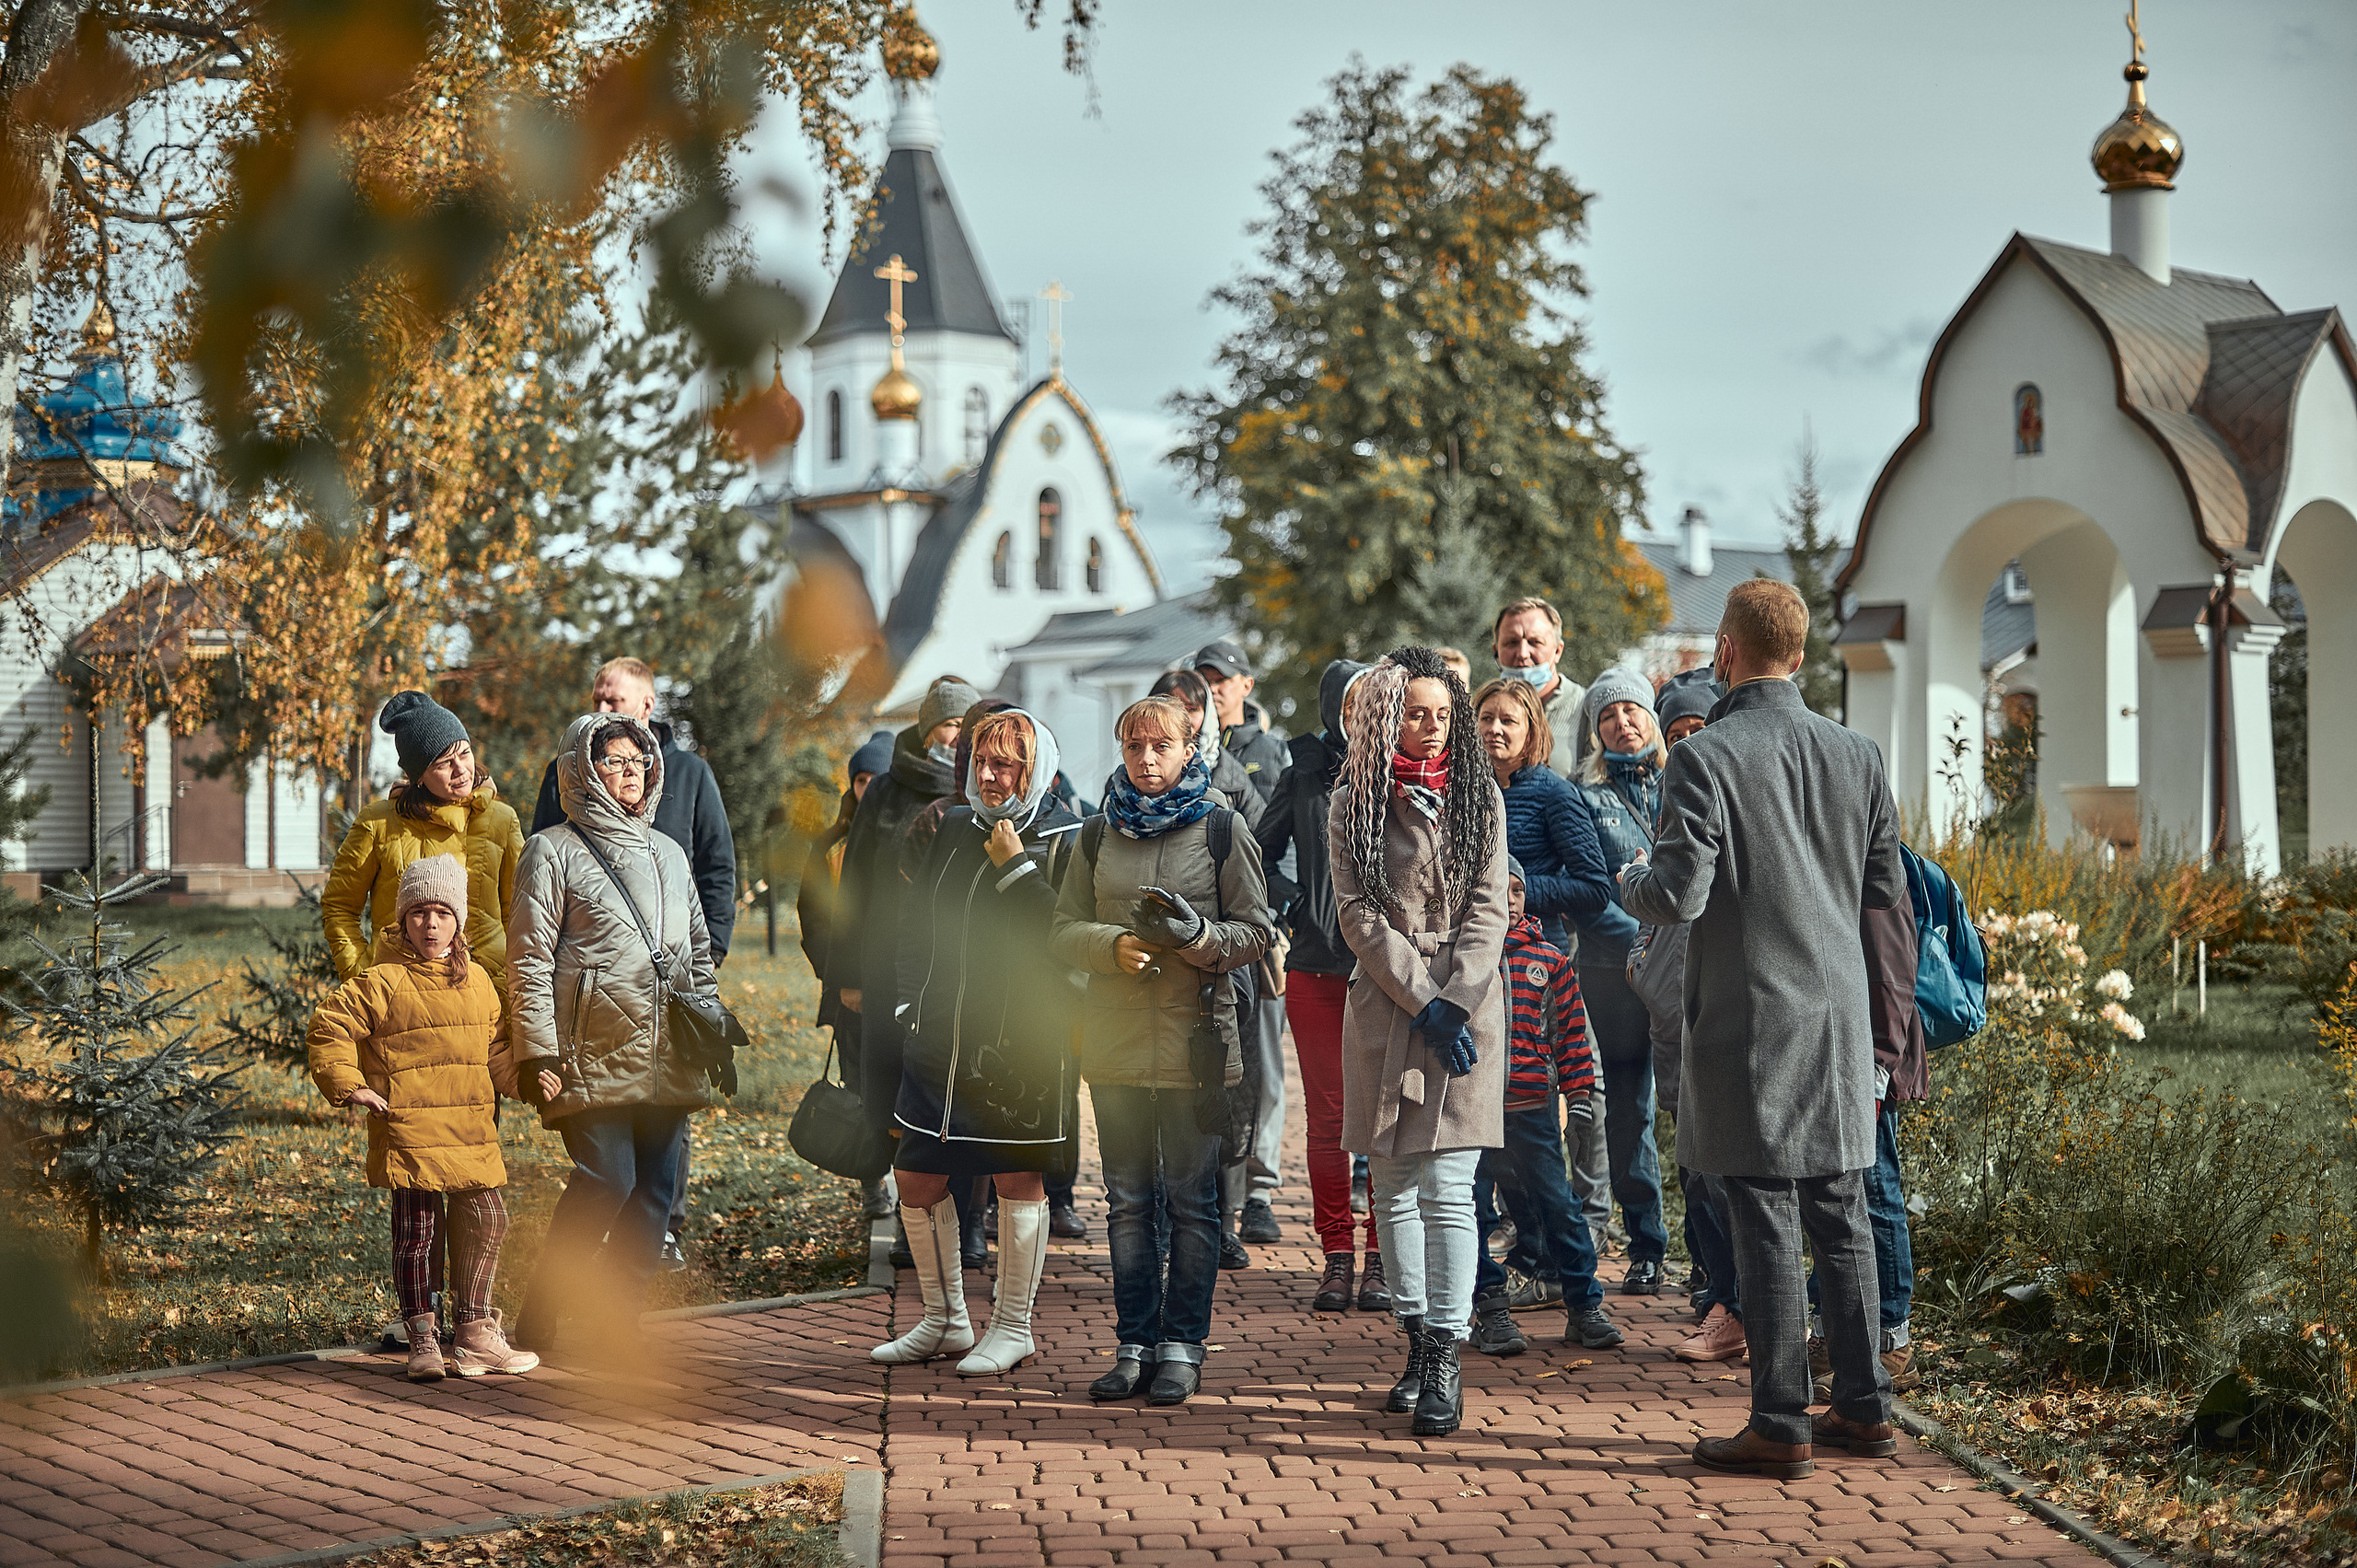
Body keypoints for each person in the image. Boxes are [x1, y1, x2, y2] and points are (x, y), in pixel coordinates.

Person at [1620, 578, 1906, 1479]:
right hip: (1835, 1014)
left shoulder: (1703, 759)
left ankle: (1780, 1419)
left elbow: (1676, 894)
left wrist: (1630, 875)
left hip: (1747, 1015)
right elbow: (1883, 887)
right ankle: (1862, 1407)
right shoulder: (1856, 754)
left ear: (1726, 652)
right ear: (1803, 653)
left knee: (1767, 1216)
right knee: (1842, 1212)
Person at [1051, 694, 1272, 1406]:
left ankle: (1183, 1344)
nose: (1146, 760)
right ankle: (1133, 1343)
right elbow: (1061, 928)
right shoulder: (1094, 833)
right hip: (1113, 1044)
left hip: (1196, 1046)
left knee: (1192, 1202)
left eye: (1161, 747)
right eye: (1134, 747)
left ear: (1188, 750)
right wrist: (1109, 946)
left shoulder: (1220, 828)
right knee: (1126, 1202)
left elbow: (1257, 931)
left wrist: (1198, 938)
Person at [872, 709, 1084, 1376]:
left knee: (1016, 1177)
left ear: (1034, 771)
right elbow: (917, 923)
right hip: (938, 1036)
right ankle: (945, 1319)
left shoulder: (1064, 837)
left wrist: (1017, 867)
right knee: (915, 1173)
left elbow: (1066, 940)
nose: (989, 776)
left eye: (1006, 765)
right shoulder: (954, 826)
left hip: (1017, 1046)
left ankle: (1013, 1326)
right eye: (981, 763)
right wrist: (911, 1001)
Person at [1331, 648, 1509, 1439]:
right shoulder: (1352, 803)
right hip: (1386, 1003)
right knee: (1394, 1179)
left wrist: (1456, 1002)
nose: (1431, 726)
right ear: (1387, 713)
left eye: (1443, 712)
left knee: (1449, 1185)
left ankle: (1445, 1351)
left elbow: (1490, 910)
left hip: (1466, 1014)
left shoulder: (1481, 798)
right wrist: (1421, 998)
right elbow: (1358, 914)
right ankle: (1414, 1337)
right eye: (1415, 711)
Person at [505, 714, 720, 1354]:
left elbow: (698, 953)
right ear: (582, 770)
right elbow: (529, 957)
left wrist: (709, 1025)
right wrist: (536, 1048)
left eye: (638, 761)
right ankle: (544, 1306)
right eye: (616, 762)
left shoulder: (671, 854)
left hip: (668, 1052)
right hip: (587, 1051)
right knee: (608, 1181)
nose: (631, 773)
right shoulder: (552, 851)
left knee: (656, 1188)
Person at [528, 657, 735, 1272]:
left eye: (615, 701)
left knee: (661, 1155)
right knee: (608, 1167)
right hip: (597, 1004)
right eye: (597, 698)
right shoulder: (562, 779)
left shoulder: (690, 775)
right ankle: (566, 1291)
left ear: (647, 706)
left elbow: (716, 866)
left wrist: (708, 956)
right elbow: (542, 893)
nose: (602, 710)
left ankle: (654, 1247)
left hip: (669, 997)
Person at [307, 854, 539, 1382]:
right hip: (409, 1126)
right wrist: (351, 1085)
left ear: (458, 921)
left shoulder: (479, 982)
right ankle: (423, 1337)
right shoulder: (382, 981)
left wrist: (532, 1083)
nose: (429, 924)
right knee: (418, 1233)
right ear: (402, 920)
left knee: (487, 1219)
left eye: (441, 913)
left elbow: (496, 1052)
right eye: (418, 914)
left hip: (471, 1128)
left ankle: (476, 1331)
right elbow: (330, 1027)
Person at [1466, 676, 1621, 1318]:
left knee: (1535, 1138)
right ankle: (1534, 1257)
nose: (1496, 730)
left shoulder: (1554, 793)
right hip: (1475, 974)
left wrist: (1530, 895)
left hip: (1538, 970)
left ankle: (1560, 1263)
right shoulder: (1463, 794)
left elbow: (1593, 886)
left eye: (1510, 720)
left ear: (1534, 730)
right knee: (1492, 1139)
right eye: (1485, 719)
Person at [1259, 659, 1390, 1313]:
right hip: (1315, 966)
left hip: (1386, 970)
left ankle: (1381, 1259)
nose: (1367, 711)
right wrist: (1293, 904)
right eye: (1356, 700)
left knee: (1382, 1118)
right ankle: (1338, 1253)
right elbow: (1258, 854)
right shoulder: (1304, 769)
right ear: (1336, 704)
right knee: (1331, 1118)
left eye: (1378, 700)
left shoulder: (1404, 771)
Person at [839, 677, 979, 1261]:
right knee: (899, 1102)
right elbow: (856, 886)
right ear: (928, 729)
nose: (958, 738)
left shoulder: (982, 783)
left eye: (966, 727)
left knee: (963, 1101)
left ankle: (968, 1228)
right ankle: (910, 1225)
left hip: (959, 970)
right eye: (950, 726)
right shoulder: (888, 789)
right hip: (889, 966)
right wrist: (846, 974)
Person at [1465, 856, 1621, 1359]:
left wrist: (1578, 1101)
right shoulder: (1462, 957)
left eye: (1516, 890)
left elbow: (1572, 1040)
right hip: (1471, 1112)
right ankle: (1490, 1309)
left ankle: (1585, 1305)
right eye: (1497, 888)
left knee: (1560, 1205)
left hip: (1532, 1112)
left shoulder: (1550, 961)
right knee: (1474, 1213)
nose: (1508, 899)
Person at [1147, 667, 1265, 1272]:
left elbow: (1258, 878)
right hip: (1148, 978)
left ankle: (1219, 1221)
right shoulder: (1129, 790)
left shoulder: (1230, 785)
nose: (1181, 717)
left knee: (1216, 1100)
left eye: (1189, 708)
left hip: (1220, 972)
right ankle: (1168, 1225)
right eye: (1167, 706)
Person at [1566, 666, 1673, 1297]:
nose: (1622, 722)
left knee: (1694, 1109)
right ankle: (1648, 1245)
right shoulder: (1584, 795)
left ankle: (1713, 1260)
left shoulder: (1686, 779)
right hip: (1616, 972)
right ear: (1596, 730)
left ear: (1651, 719)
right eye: (1608, 716)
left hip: (1687, 970)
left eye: (1632, 710)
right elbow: (1590, 887)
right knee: (1627, 1111)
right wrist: (1646, 940)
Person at [323, 691, 525, 993]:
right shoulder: (377, 823)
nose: (461, 770)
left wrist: (516, 982)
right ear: (418, 776)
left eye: (465, 753)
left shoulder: (501, 820)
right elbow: (339, 906)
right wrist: (360, 976)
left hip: (490, 999)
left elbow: (522, 915)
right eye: (444, 763)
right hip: (400, 998)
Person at [1194, 640, 1290, 1251]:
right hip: (1206, 937)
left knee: (1264, 1067)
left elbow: (1281, 841)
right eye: (1205, 680)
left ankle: (1259, 1187)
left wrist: (1284, 915)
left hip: (1260, 932)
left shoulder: (1268, 752)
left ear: (1245, 684)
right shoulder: (1180, 747)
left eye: (1222, 679)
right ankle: (1213, 1195)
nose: (1214, 689)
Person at [799, 728, 898, 1222]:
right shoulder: (831, 845)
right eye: (860, 779)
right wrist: (837, 976)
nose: (868, 789)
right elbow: (812, 920)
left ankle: (914, 1191)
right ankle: (872, 1182)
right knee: (859, 1088)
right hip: (849, 996)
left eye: (877, 778)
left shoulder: (912, 831)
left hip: (901, 993)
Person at [1489, 598, 1588, 781]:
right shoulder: (1482, 711)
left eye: (1535, 642)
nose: (1522, 654)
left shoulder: (1585, 708)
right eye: (1511, 643)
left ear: (1557, 651)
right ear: (1496, 650)